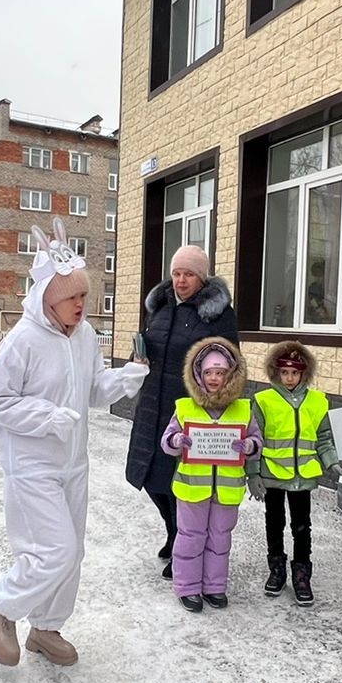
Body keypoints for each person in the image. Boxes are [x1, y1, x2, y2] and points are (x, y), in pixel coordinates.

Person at [0, 221, 148, 668]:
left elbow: (90, 390)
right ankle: (0, 611)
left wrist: (125, 378)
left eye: (84, 296)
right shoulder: (22, 341)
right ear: (49, 297)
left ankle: (46, 628)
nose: (81, 304)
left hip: (74, 463)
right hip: (32, 465)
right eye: (73, 296)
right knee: (55, 550)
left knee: (74, 552)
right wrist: (47, 417)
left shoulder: (86, 335)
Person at [126, 245, 238, 580]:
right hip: (153, 404)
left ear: (201, 278)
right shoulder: (160, 307)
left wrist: (216, 403)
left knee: (182, 484)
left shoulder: (216, 313)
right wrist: (138, 359)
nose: (180, 280)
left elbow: (229, 361)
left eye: (188, 274)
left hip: (191, 410)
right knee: (151, 478)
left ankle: (185, 546)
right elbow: (149, 344)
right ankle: (174, 531)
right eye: (176, 273)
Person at [160, 338, 261, 612]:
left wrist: (250, 446)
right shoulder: (185, 407)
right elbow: (166, 440)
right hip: (193, 489)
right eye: (208, 372)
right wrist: (177, 441)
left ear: (231, 375)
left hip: (227, 490)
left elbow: (255, 440)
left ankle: (214, 586)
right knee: (191, 538)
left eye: (220, 372)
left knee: (220, 539)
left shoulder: (243, 409)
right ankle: (188, 587)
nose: (214, 378)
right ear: (198, 375)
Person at [248, 341, 339, 607]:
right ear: (276, 373)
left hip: (303, 478)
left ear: (304, 374)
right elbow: (256, 438)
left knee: (302, 527)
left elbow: (323, 438)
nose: (289, 378)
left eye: (295, 373)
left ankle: (302, 574)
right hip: (273, 475)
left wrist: (331, 462)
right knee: (274, 523)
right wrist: (253, 474)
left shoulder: (318, 402)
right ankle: (277, 570)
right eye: (284, 372)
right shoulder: (264, 400)